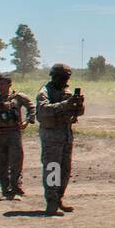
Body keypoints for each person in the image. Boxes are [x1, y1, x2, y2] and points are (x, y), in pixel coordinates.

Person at [35, 63, 84, 216]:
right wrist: (65, 104)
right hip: (51, 135)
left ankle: (59, 198)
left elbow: (77, 113)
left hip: (65, 134)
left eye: (67, 78)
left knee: (65, 169)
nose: (65, 81)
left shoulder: (66, 92)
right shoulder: (44, 92)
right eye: (63, 78)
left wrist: (78, 105)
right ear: (54, 76)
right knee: (52, 168)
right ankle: (51, 202)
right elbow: (43, 111)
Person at [0, 73, 35, 200]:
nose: (0, 87)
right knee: (0, 163)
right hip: (0, 135)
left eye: (2, 84)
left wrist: (27, 121)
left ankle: (16, 188)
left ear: (9, 84)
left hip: (14, 133)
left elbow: (32, 108)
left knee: (16, 162)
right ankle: (5, 189)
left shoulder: (19, 97)